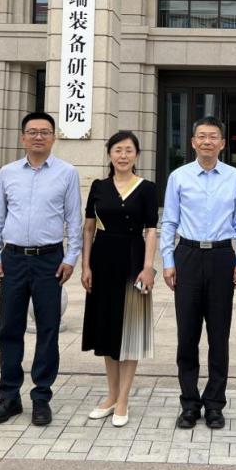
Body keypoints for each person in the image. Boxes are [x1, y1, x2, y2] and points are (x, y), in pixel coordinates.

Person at [0, 112, 82, 426]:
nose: (38, 137)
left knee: (48, 329)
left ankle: (41, 397)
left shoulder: (67, 173)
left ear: (54, 136)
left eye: (45, 132)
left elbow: (74, 220)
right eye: (32, 132)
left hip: (49, 260)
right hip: (12, 258)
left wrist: (71, 258)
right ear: (23, 137)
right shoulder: (7, 173)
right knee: (9, 329)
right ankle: (9, 397)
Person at [160, 116, 236, 430]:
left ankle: (214, 404)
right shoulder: (179, 177)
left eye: (213, 136)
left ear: (222, 143)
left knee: (218, 335)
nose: (207, 141)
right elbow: (169, 222)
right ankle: (189, 403)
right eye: (201, 136)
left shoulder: (235, 177)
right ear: (193, 142)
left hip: (223, 256)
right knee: (187, 334)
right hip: (187, 255)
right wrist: (168, 261)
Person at [80, 131, 159, 428]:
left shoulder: (147, 188)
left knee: (130, 332)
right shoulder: (99, 187)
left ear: (136, 155)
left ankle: (123, 398)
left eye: (128, 150)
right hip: (102, 262)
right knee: (107, 330)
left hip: (133, 262)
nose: (123, 155)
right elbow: (89, 228)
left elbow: (151, 229)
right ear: (109, 154)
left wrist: (148, 267)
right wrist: (85, 266)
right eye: (117, 150)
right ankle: (111, 395)